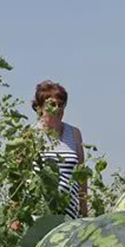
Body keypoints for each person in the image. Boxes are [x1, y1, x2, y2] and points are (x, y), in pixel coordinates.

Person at [33, 80, 88, 218]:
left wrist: (84, 212)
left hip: (69, 215)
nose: (57, 108)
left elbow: (81, 176)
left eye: (61, 104)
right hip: (38, 215)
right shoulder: (30, 136)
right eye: (52, 104)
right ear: (40, 108)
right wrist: (15, 217)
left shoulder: (74, 133)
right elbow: (19, 178)